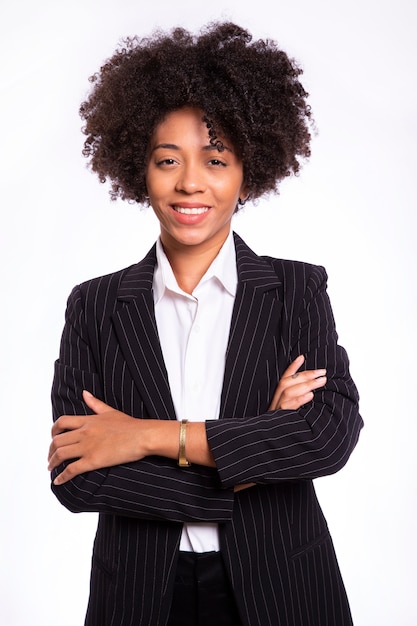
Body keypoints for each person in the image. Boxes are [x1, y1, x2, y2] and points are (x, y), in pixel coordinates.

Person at [48, 22, 363, 626]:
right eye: (168, 160)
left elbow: (327, 436)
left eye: (215, 160)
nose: (190, 182)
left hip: (283, 590)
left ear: (248, 170)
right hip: (139, 596)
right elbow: (74, 477)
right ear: (138, 167)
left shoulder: (296, 289)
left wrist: (142, 437)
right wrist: (254, 454)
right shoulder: (93, 305)